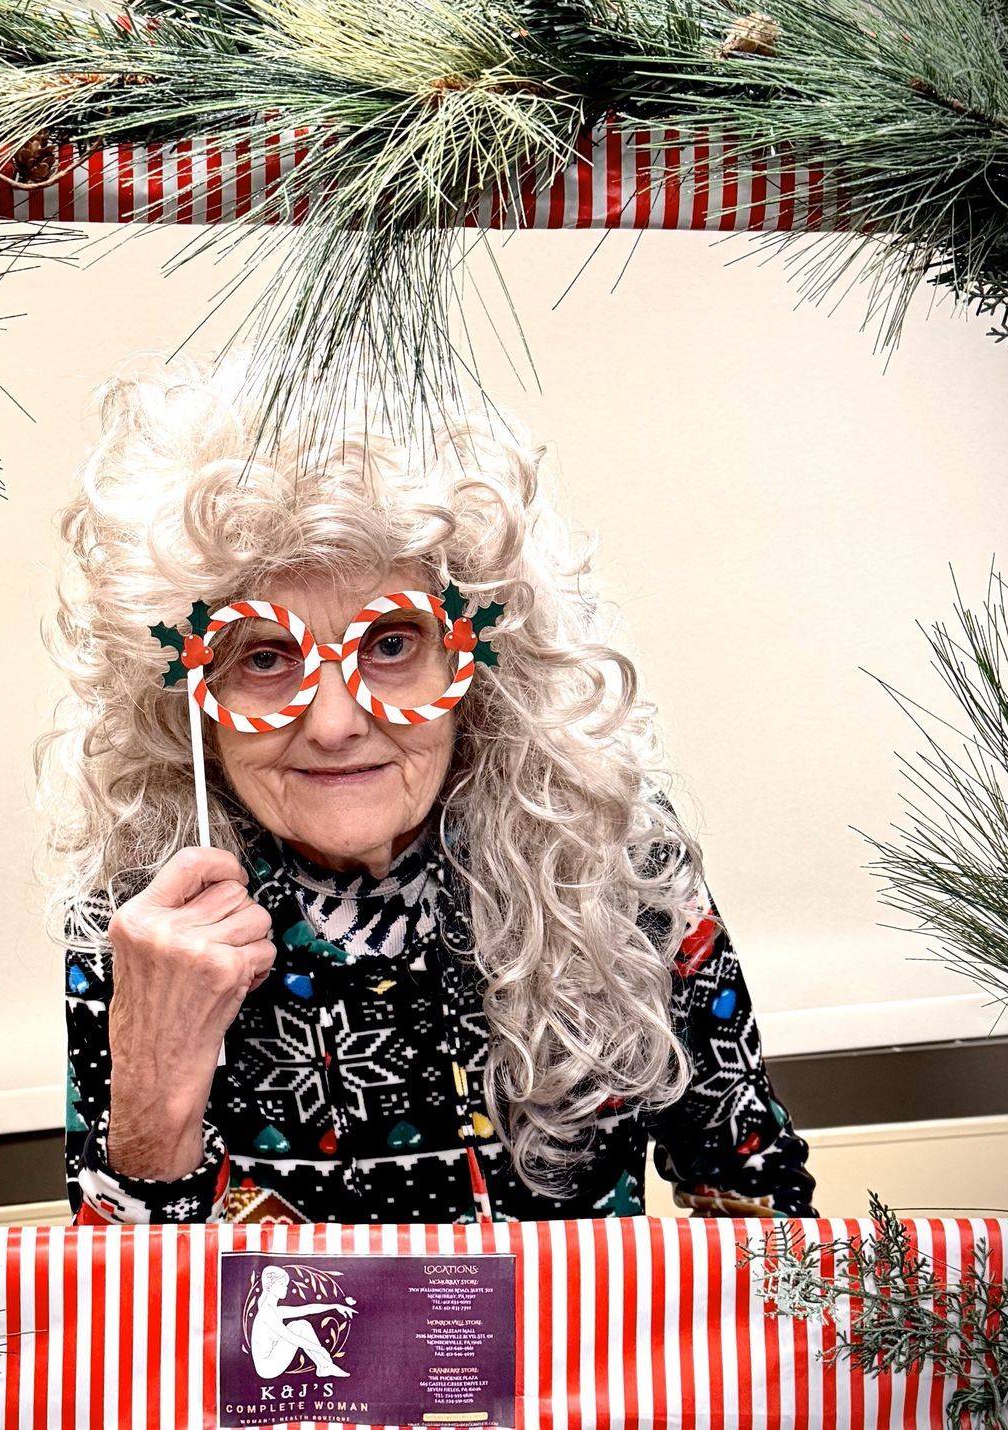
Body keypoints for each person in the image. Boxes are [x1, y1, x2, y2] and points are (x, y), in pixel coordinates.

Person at [43, 352, 813, 1225]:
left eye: (391, 644)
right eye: (263, 657)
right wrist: (154, 1107)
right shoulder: (144, 911)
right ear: (189, 694)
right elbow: (120, 1324)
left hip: (572, 1365)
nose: (334, 722)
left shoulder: (613, 858)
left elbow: (760, 1215)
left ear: (479, 662)